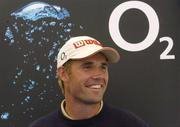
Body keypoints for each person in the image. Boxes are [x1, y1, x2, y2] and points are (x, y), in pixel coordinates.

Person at [28, 36, 149, 127]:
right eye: (87, 66)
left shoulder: (130, 124)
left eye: (103, 67)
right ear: (63, 74)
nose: (98, 76)